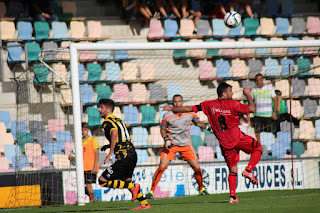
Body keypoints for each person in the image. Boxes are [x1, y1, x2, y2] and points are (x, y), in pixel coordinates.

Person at [162, 83, 263, 203]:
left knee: (232, 169)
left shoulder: (209, 105)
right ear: (224, 94)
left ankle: (232, 196)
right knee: (259, 148)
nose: (232, 93)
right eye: (231, 91)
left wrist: (171, 109)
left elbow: (188, 109)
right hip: (238, 138)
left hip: (225, 144)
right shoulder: (234, 104)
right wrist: (248, 95)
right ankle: (249, 170)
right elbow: (251, 109)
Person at [145, 94, 210, 200]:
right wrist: (166, 139)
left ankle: (202, 189)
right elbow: (162, 129)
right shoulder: (167, 115)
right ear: (172, 103)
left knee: (197, 168)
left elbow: (198, 123)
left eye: (179, 101)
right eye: (175, 102)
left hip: (186, 145)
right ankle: (151, 192)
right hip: (171, 146)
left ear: (182, 102)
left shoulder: (190, 113)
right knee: (161, 168)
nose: (177, 103)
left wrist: (209, 128)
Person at [97, 99, 151, 210]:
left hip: (124, 157)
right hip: (132, 154)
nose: (99, 109)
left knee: (102, 180)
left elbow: (114, 133)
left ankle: (133, 187)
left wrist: (110, 151)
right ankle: (144, 204)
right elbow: (123, 137)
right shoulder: (118, 120)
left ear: (108, 109)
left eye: (101, 107)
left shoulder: (107, 122)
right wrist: (109, 146)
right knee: (126, 180)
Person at [69, 122, 100, 203]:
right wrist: (72, 158)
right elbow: (79, 156)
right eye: (82, 130)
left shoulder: (93, 140)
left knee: (89, 185)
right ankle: (94, 198)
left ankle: (92, 200)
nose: (83, 132)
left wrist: (94, 167)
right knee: (81, 186)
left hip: (90, 167)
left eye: (85, 130)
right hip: (81, 168)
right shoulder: (79, 142)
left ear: (88, 130)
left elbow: (97, 154)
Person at [250, 74, 278, 144]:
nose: (259, 81)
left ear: (263, 80)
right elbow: (251, 103)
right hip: (257, 115)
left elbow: (276, 100)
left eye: (260, 80)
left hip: (268, 115)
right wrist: (248, 114)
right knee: (257, 132)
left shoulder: (269, 88)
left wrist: (274, 112)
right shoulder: (253, 90)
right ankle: (259, 147)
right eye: (257, 80)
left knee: (269, 133)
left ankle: (269, 148)